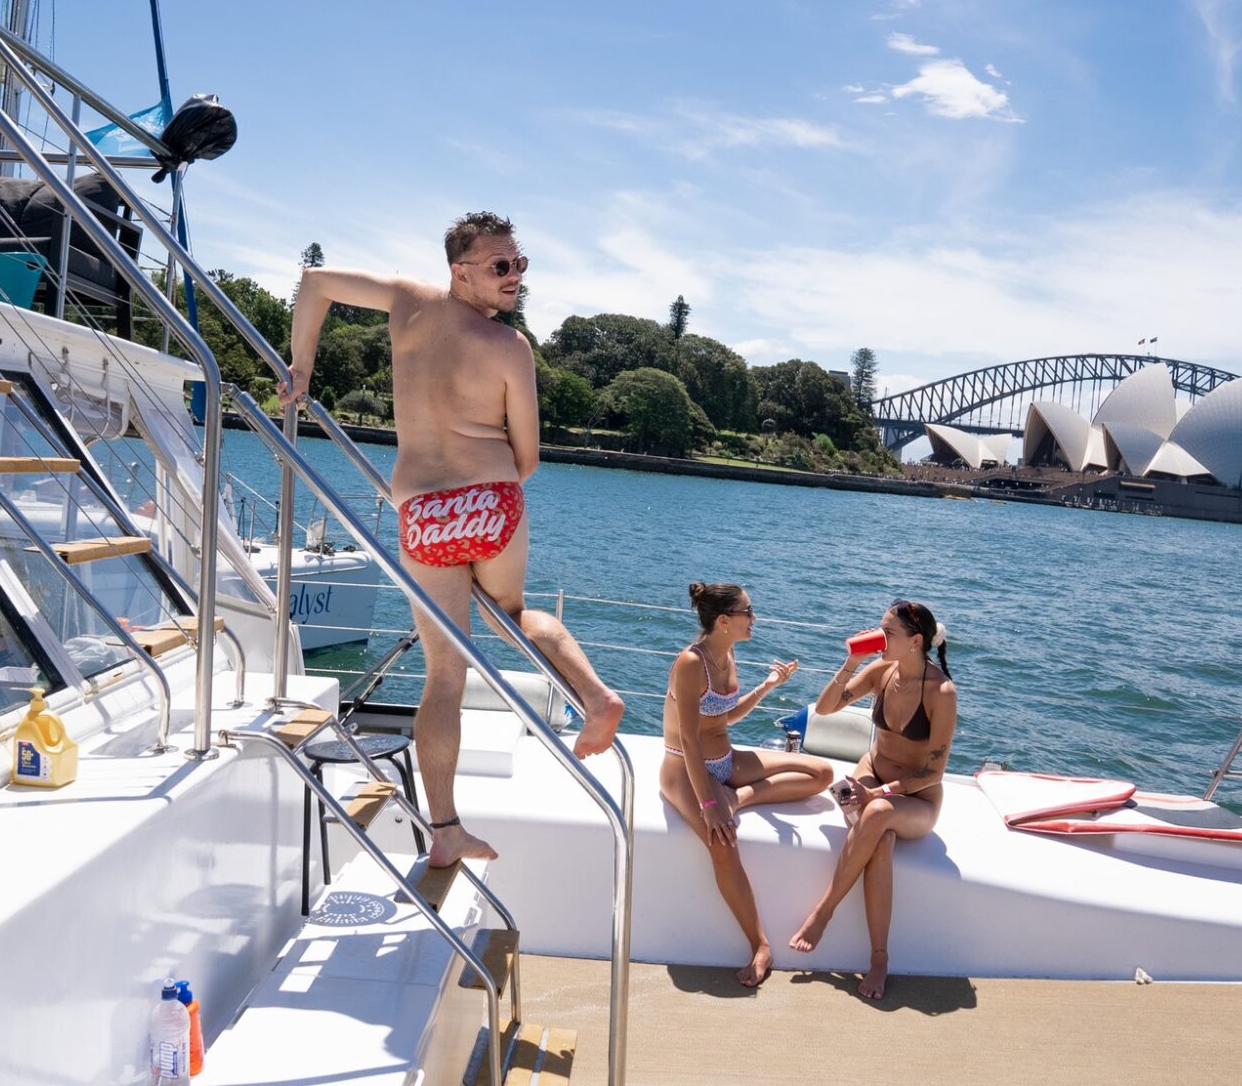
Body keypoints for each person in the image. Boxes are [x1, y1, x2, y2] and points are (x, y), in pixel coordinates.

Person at [280, 212, 625, 868]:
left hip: (425, 513)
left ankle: (445, 830)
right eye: (502, 267)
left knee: (445, 671)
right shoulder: (509, 347)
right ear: (460, 270)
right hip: (491, 502)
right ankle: (597, 697)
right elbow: (527, 457)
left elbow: (314, 282)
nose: (515, 277)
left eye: (521, 265)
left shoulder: (406, 302)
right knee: (515, 617)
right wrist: (486, 493)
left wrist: (302, 367)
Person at [659, 582, 834, 988]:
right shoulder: (690, 663)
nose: (754, 618)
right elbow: (688, 738)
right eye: (748, 612)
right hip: (684, 768)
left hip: (725, 761)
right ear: (724, 621)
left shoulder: (728, 652)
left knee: (821, 774)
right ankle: (760, 945)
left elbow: (726, 716)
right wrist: (708, 802)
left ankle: (740, 796)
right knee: (722, 842)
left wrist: (768, 685)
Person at [789, 599, 957, 1000]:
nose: (879, 638)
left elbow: (932, 772)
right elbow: (826, 708)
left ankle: (823, 912)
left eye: (889, 633)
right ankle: (879, 958)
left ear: (916, 641)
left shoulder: (941, 692)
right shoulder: (881, 670)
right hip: (870, 776)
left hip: (916, 799)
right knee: (879, 837)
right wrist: (851, 661)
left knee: (878, 812)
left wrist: (877, 793)